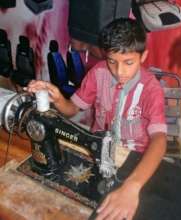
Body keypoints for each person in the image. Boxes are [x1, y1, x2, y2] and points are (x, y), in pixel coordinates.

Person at [27, 18, 167, 220]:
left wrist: (132, 185)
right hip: (99, 151)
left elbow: (159, 139)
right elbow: (72, 109)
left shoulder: (151, 89)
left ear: (143, 56)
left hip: (134, 160)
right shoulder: (98, 73)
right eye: (112, 61)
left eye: (128, 63)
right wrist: (57, 98)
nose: (119, 72)